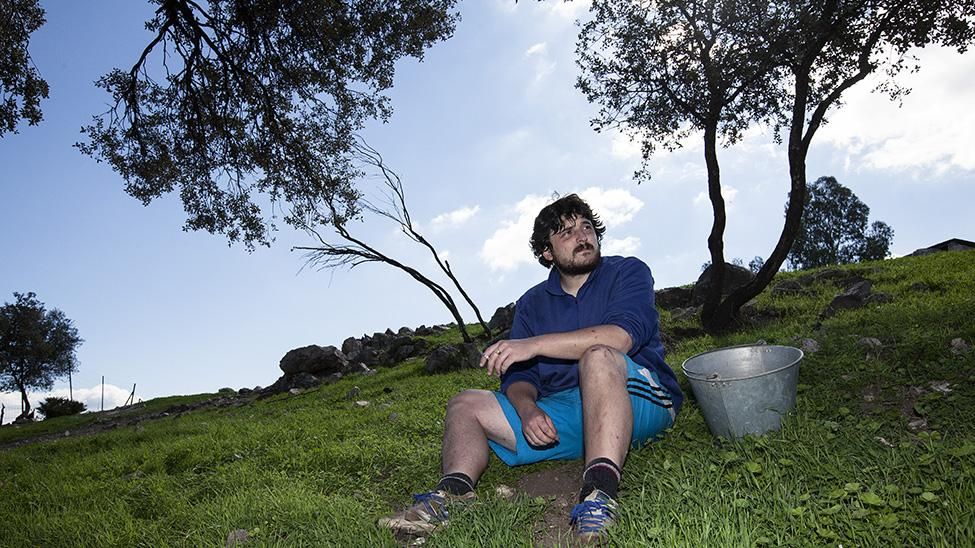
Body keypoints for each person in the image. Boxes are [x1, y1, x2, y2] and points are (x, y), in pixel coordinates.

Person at [380, 194, 683, 541]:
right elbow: (521, 375)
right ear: (547, 252)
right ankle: (453, 494)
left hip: (637, 397)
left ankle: (599, 494)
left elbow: (621, 337)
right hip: (570, 415)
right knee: (466, 403)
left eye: (587, 227)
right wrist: (527, 410)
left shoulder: (627, 271)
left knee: (598, 356)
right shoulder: (531, 303)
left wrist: (533, 344)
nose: (582, 235)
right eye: (567, 232)